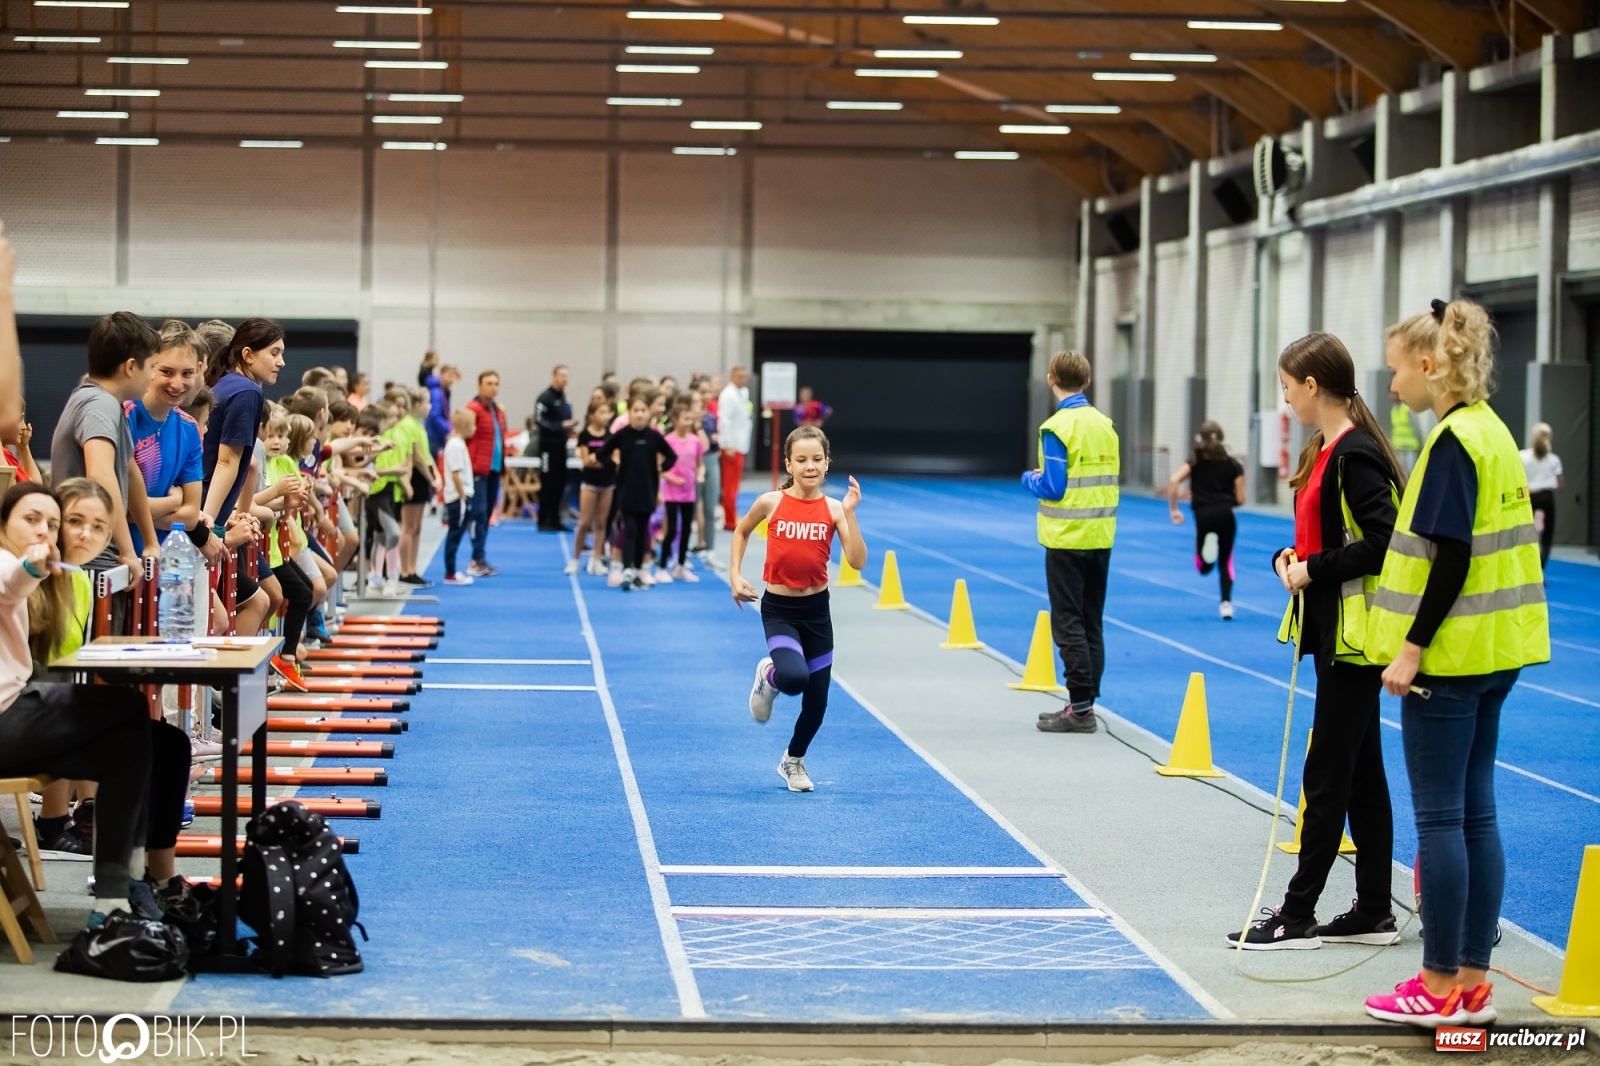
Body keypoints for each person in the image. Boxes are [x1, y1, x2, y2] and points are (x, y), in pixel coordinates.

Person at [1363, 298, 1549, 1028]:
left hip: (1449, 658)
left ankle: (1439, 984)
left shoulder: (1449, 444)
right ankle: (1471, 982)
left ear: (1432, 365)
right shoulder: (1495, 433)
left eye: (1396, 370)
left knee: (1440, 822)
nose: (1392, 386)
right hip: (1498, 652)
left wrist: (1411, 647)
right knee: (1477, 816)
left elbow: (1451, 556)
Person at [1226, 332, 1404, 952]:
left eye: (1285, 386)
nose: (1283, 398)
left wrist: (1316, 569)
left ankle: (1296, 913)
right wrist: (1289, 558)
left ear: (1311, 385)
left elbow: (1385, 543)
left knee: (1325, 773)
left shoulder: (1356, 456)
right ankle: (1375, 908)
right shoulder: (1325, 451)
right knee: (1361, 777)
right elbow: (1324, 536)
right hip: (1335, 633)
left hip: (1354, 640)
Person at [0, 482, 163, 931]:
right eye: (31, 519)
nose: (44, 531)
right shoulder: (9, 563)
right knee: (131, 716)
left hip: (18, 709)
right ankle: (124, 882)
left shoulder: (61, 575)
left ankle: (116, 892)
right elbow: (10, 584)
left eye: (51, 524)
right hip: (7, 716)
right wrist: (32, 565)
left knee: (131, 745)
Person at [731, 426, 866, 793]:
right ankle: (769, 675)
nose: (810, 466)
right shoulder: (771, 502)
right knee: (794, 679)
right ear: (788, 464)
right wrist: (735, 575)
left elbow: (857, 562)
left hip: (817, 612)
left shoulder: (834, 509)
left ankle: (793, 759)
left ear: (827, 463)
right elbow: (741, 532)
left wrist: (851, 515)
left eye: (817, 459)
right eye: (802, 460)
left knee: (817, 700)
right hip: (780, 610)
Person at [1021, 351, 1118, 734]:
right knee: (1092, 621)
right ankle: (1085, 703)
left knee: (1068, 623)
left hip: (1066, 538)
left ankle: (1079, 710)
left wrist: (1030, 479)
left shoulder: (1058, 427)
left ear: (1050, 379)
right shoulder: (1105, 425)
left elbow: (1054, 486)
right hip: (1101, 535)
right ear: (1088, 382)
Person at [49, 311, 161, 573]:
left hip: (99, 556)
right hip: (90, 560)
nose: (153, 377)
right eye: (153, 367)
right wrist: (127, 551)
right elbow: (100, 473)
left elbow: (129, 468)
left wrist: (150, 541)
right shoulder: (100, 404)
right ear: (131, 367)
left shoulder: (109, 404)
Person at [200, 319, 286, 643]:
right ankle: (223, 690)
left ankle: (221, 690)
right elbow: (228, 462)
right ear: (247, 354)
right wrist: (206, 523)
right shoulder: (247, 391)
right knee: (211, 621)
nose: (281, 362)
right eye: (274, 353)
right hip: (204, 507)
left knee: (219, 619)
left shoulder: (228, 384)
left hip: (205, 505)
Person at [1166, 421, 1244, 620]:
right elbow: (1240, 499)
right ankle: (1226, 603)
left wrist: (1174, 509)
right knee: (1226, 561)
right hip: (1226, 514)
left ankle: (1205, 560)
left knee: (1203, 567)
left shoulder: (1195, 462)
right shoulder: (1234, 465)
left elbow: (1174, 481)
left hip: (1204, 515)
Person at [609, 392, 678, 591]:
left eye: (643, 411)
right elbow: (605, 452)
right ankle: (627, 568)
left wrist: (660, 468)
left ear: (649, 413)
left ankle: (639, 569)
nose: (639, 414)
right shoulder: (623, 435)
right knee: (629, 529)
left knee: (643, 531)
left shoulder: (654, 436)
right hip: (627, 491)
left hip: (647, 490)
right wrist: (615, 466)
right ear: (629, 413)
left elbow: (671, 456)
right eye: (635, 411)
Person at [657, 397, 707, 584]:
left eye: (690, 419)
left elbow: (700, 465)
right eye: (685, 419)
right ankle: (662, 566)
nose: (688, 423)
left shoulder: (695, 441)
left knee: (686, 530)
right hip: (672, 492)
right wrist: (671, 478)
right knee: (670, 530)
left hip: (689, 492)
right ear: (675, 420)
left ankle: (680, 565)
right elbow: (660, 467)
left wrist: (700, 475)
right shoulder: (667, 441)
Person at [466, 371, 509, 577]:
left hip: (494, 469)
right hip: (478, 470)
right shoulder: (472, 410)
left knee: (487, 513)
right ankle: (475, 558)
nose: (493, 387)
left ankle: (481, 556)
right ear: (479, 386)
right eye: (489, 383)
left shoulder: (498, 410)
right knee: (479, 513)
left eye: (496, 383)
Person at [396, 386, 440, 586]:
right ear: (417, 404)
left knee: (417, 527)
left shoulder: (418, 424)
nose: (430, 406)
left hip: (424, 476)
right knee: (408, 526)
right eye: (427, 402)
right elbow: (417, 456)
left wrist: (436, 474)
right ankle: (405, 570)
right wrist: (431, 479)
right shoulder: (408, 424)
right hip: (415, 476)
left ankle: (413, 568)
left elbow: (427, 454)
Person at [570, 399, 615, 577]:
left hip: (608, 483)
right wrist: (601, 461)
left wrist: (599, 460)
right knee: (584, 522)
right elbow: (586, 461)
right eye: (601, 412)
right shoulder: (585, 436)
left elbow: (615, 460)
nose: (606, 416)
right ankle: (575, 559)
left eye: (607, 413)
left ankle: (596, 559)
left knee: (602, 523)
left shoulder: (610, 436)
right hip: (589, 483)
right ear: (592, 416)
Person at [536, 365, 574, 532]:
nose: (564, 379)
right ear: (554, 376)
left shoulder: (564, 399)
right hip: (547, 447)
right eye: (561, 376)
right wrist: (559, 426)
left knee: (560, 483)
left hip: (561, 446)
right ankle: (543, 519)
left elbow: (566, 418)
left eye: (566, 376)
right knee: (548, 483)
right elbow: (539, 420)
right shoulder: (545, 398)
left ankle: (556, 519)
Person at [441, 408, 476, 586]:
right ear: (464, 426)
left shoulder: (459, 443)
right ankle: (450, 572)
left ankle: (451, 570)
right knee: (454, 534)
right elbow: (455, 474)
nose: (475, 428)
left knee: (456, 534)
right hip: (457, 497)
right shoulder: (455, 445)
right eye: (473, 424)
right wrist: (463, 498)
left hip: (461, 495)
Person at [1520, 422, 1562, 569]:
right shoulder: (1554, 460)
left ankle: (1525, 567)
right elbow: (1558, 483)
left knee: (1524, 533)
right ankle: (1540, 569)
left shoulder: (1523, 456)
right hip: (1546, 497)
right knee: (1547, 538)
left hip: (1528, 496)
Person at [718, 366, 753, 531]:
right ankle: (729, 520)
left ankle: (732, 515)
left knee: (735, 485)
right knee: (730, 486)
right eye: (739, 376)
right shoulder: (728, 395)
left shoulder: (743, 392)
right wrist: (728, 444)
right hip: (732, 446)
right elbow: (724, 421)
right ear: (732, 376)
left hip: (740, 443)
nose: (743, 379)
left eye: (745, 376)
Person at [694, 377, 722, 560]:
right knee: (694, 507)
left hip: (712, 461)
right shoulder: (689, 419)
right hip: (694, 463)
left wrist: (719, 441)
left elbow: (716, 442)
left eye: (708, 392)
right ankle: (697, 543)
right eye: (701, 392)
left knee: (710, 508)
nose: (706, 396)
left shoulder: (711, 416)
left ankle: (710, 549)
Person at [425, 363, 459, 456]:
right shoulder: (437, 392)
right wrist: (449, 429)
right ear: (441, 374)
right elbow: (435, 415)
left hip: (437, 435)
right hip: (434, 436)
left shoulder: (444, 391)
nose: (451, 380)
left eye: (453, 377)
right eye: (449, 376)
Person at [1390, 400, 1421, 476]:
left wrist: (1420, 443)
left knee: (1411, 473)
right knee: (1401, 473)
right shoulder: (1393, 410)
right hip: (1398, 447)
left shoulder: (1407, 409)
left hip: (1410, 447)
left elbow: (1416, 428)